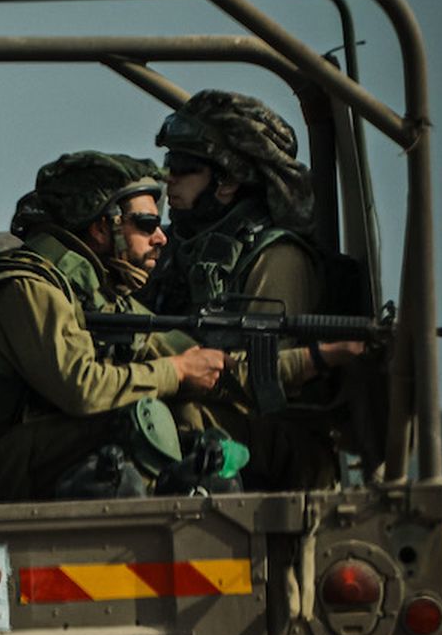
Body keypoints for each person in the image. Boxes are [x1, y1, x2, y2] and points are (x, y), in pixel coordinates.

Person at [0, 151, 227, 503]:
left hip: (20, 457)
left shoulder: (91, 291)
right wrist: (175, 371)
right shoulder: (24, 288)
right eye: (144, 224)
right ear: (100, 226)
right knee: (130, 418)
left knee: (189, 413)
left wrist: (296, 363)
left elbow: (183, 351)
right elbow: (82, 389)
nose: (160, 237)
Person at [147, 89, 366, 486]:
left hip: (276, 437)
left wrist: (170, 363)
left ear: (228, 181)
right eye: (169, 164)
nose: (169, 178)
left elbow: (265, 385)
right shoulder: (176, 247)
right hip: (222, 415)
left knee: (166, 415)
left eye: (184, 167)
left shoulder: (276, 257)